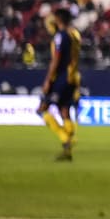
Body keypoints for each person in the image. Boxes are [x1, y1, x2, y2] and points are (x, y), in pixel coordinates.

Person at [37, 9, 81, 161]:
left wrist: (48, 80)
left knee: (42, 109)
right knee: (64, 110)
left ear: (59, 19)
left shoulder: (60, 36)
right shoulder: (74, 34)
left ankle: (66, 139)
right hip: (73, 77)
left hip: (61, 78)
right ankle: (67, 153)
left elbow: (56, 59)